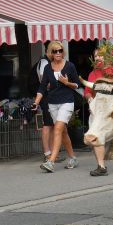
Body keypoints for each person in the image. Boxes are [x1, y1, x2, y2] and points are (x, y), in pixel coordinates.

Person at [32, 41, 80, 173]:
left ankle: (51, 161)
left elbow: (77, 85)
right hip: (52, 103)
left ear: (63, 52)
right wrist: (36, 102)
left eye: (60, 50)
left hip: (67, 101)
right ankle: (72, 158)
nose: (58, 53)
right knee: (63, 132)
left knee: (58, 129)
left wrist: (67, 82)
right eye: (55, 51)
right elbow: (42, 87)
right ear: (50, 53)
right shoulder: (47, 68)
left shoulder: (70, 66)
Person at [84, 49, 108, 176]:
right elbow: (87, 91)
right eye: (96, 56)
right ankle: (101, 166)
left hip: (112, 110)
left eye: (101, 55)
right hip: (97, 109)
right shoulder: (92, 74)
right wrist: (90, 100)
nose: (98, 58)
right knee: (96, 135)